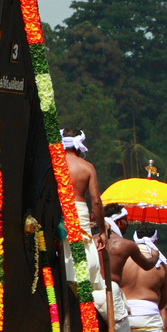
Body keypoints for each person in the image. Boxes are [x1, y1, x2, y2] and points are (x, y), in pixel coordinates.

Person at [102, 204, 167, 332]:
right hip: (149, 317)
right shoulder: (162, 263)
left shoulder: (123, 255)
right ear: (156, 239)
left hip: (123, 315)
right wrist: (153, 308)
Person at [60, 131, 106, 316]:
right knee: (84, 256)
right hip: (79, 213)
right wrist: (102, 231)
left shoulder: (55, 164)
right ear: (79, 146)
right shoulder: (87, 167)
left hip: (58, 213)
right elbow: (96, 202)